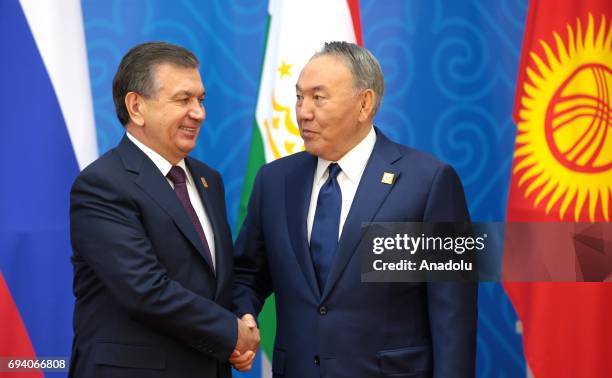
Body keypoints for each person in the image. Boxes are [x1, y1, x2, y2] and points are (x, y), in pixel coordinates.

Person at [233, 41, 477, 377]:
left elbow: (454, 316)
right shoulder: (275, 182)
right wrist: (244, 313)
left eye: (318, 97)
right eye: (299, 96)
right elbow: (246, 274)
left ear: (364, 104)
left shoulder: (430, 183)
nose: (303, 111)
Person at [69, 41, 258, 378]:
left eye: (200, 100)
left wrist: (242, 320)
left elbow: (214, 281)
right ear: (137, 106)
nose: (198, 112)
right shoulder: (102, 184)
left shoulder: (207, 180)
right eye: (182, 100)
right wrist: (231, 333)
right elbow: (144, 289)